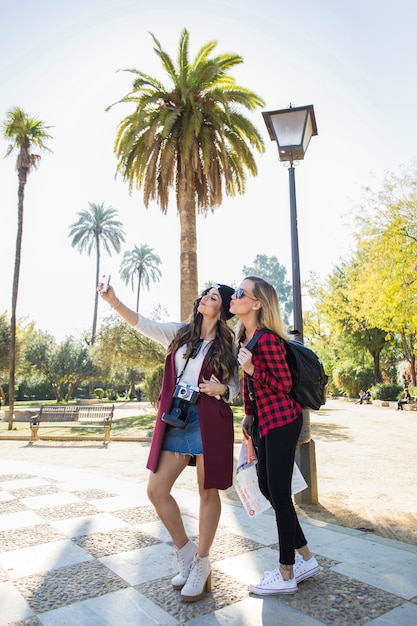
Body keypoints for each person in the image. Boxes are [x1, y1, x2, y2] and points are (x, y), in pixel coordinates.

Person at [99, 281, 239, 602]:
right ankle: (186, 551)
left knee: (207, 491)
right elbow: (142, 324)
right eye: (205, 293)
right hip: (178, 416)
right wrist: (114, 301)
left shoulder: (227, 345)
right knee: (156, 490)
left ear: (223, 308)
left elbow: (236, 386)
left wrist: (225, 391)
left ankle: (203, 563)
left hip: (208, 419)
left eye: (213, 297)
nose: (205, 297)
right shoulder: (180, 333)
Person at [229, 276, 320, 595]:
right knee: (268, 487)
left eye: (241, 292)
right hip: (265, 422)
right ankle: (306, 558)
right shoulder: (246, 338)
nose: (234, 295)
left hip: (283, 420)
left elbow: (283, 385)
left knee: (279, 492)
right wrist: (247, 418)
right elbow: (252, 389)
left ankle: (286, 574)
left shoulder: (267, 340)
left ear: (256, 303)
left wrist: (253, 369)